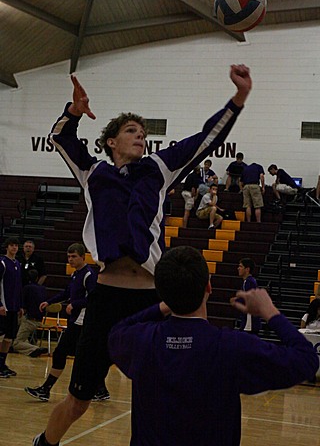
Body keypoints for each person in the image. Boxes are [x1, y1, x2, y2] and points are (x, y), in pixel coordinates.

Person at [32, 64, 252, 446]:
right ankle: (43, 444)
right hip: (106, 298)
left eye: (144, 133)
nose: (141, 137)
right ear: (111, 142)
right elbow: (60, 139)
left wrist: (238, 99)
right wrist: (73, 111)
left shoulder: (159, 168)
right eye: (132, 131)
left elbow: (206, 139)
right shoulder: (93, 172)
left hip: (152, 300)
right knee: (78, 399)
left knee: (156, 393)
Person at [108, 245, 318, 446]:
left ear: (162, 293)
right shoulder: (230, 346)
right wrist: (271, 313)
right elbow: (307, 360)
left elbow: (117, 331)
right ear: (208, 287)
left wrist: (163, 306)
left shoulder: (140, 340)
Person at [25, 243, 100, 402]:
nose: (70, 260)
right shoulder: (75, 275)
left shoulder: (88, 274)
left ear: (82, 256)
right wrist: (49, 302)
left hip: (82, 320)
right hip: (75, 319)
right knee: (83, 355)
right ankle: (101, 389)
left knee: (61, 352)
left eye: (74, 257)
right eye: (68, 257)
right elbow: (67, 292)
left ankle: (46, 389)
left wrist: (76, 304)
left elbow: (94, 297)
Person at [0, 237, 23, 378]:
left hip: (14, 306)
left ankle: (2, 364)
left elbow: (19, 286)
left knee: (9, 337)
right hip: (4, 306)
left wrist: (20, 305)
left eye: (16, 245)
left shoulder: (17, 263)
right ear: (7, 247)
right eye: (12, 245)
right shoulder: (2, 263)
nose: (14, 248)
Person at [12, 269, 48, 357]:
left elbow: (22, 307)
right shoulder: (43, 289)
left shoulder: (27, 288)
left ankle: (34, 348)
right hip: (39, 319)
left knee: (16, 344)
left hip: (30, 319)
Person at [237, 258, 261, 334]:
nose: (238, 268)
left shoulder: (249, 282)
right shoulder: (249, 281)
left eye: (240, 266)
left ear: (247, 269)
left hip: (250, 318)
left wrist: (238, 301)